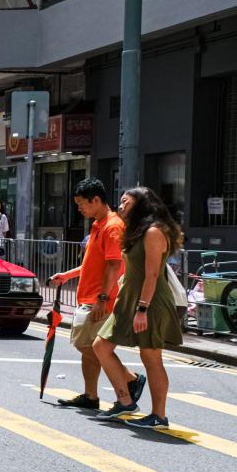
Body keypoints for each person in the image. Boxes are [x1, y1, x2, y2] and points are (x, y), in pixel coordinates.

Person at [92, 186, 184, 429]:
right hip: (128, 298)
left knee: (151, 356)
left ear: (141, 206)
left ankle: (159, 416)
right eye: (120, 202)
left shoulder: (154, 232)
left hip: (149, 301)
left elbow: (152, 275)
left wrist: (142, 309)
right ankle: (125, 400)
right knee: (101, 346)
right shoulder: (135, 231)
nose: (120, 206)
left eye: (126, 202)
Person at [49, 178, 144, 411]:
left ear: (97, 200)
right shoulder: (98, 224)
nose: (79, 208)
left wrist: (103, 298)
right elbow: (92, 265)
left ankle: (131, 379)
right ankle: (91, 395)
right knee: (88, 346)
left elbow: (113, 265)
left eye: (82, 204)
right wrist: (68, 275)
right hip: (91, 297)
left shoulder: (112, 226)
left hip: (102, 300)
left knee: (90, 346)